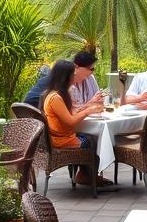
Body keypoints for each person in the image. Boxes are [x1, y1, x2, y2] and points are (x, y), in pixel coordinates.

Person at [41, 59, 109, 187]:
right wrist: (89, 110)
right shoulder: (55, 98)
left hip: (63, 137)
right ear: (65, 77)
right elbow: (70, 122)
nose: (75, 77)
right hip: (61, 141)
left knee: (89, 137)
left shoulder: (57, 94)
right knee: (93, 140)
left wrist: (88, 106)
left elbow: (70, 114)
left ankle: (86, 174)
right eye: (73, 74)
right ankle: (86, 175)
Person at [23, 52, 101, 109]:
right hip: (33, 112)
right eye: (91, 68)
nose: (92, 72)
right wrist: (88, 107)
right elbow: (70, 118)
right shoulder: (56, 91)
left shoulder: (56, 87)